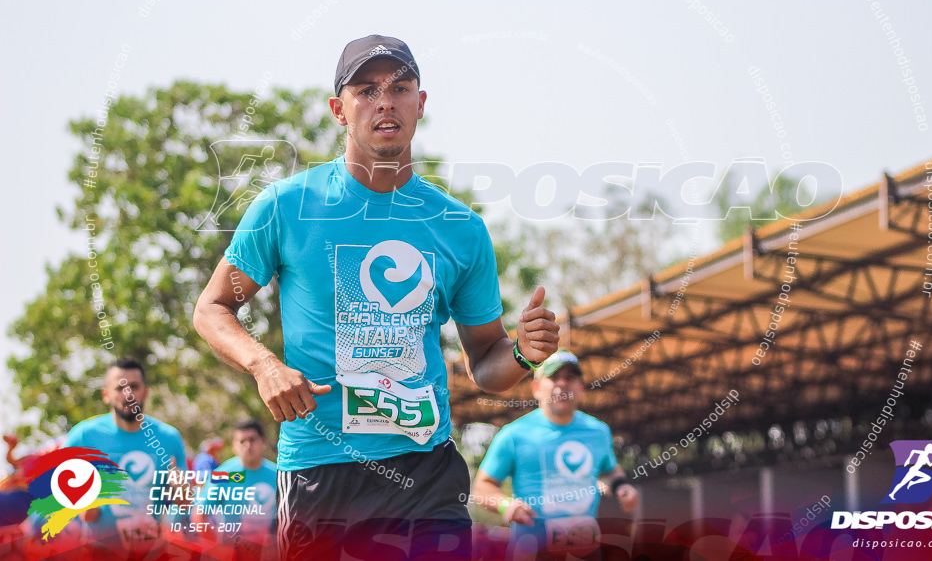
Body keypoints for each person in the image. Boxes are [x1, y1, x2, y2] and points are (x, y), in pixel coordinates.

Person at [193, 34, 561, 560]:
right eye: (366, 90)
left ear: (421, 104)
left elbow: (486, 360)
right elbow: (211, 308)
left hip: (427, 471)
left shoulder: (461, 228)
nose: (385, 101)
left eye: (400, 87)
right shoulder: (285, 206)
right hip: (321, 471)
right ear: (338, 110)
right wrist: (263, 364)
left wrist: (524, 352)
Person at [473, 350, 639, 559]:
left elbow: (610, 471)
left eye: (570, 378)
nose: (562, 384)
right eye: (553, 377)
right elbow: (482, 486)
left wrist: (622, 486)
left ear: (581, 388)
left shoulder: (599, 431)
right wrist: (507, 505)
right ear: (536, 388)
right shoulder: (514, 435)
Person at [63, 356, 187, 558]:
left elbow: (184, 503)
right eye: (120, 388)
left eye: (134, 386)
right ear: (106, 394)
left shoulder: (168, 438)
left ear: (145, 391)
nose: (128, 394)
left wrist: (181, 489)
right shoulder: (84, 436)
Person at [195, 420, 277, 560]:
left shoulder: (277, 475)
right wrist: (216, 548)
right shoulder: (224, 474)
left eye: (252, 440)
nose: (247, 445)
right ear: (234, 446)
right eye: (242, 441)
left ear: (263, 442)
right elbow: (199, 515)